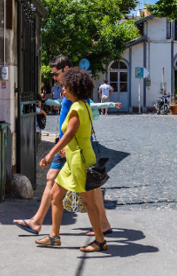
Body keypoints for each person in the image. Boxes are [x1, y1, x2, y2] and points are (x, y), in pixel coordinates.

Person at [13, 56, 117, 238]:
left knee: (84, 188)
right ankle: (99, 225)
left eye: (55, 74)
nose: (54, 78)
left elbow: (78, 123)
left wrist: (57, 148)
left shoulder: (73, 94)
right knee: (70, 182)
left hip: (71, 147)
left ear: (65, 69)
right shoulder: (69, 92)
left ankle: (43, 226)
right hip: (69, 147)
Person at [37, 68, 107, 251]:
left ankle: (100, 241)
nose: (63, 90)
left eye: (65, 87)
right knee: (55, 195)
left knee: (88, 202)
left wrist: (49, 154)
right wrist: (68, 150)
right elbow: (87, 132)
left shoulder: (76, 109)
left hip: (80, 161)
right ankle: (54, 236)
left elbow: (67, 136)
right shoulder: (84, 106)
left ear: (74, 88)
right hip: (74, 159)